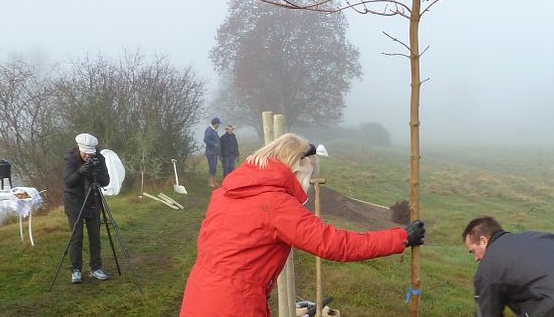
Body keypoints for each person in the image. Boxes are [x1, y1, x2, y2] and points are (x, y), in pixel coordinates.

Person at [180, 133, 426, 316]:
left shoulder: (226, 192)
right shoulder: (275, 204)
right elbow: (334, 244)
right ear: (297, 168)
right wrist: (400, 237)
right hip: (234, 306)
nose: (307, 184)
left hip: (198, 296)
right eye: (308, 175)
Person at [63, 132, 111, 284]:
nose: (88, 157)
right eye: (85, 154)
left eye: (90, 154)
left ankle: (95, 268)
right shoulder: (70, 158)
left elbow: (106, 181)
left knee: (95, 236)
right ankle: (75, 269)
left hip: (93, 200)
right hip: (74, 202)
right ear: (79, 149)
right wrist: (80, 172)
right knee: (76, 237)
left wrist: (95, 173)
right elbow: (69, 182)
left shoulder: (99, 159)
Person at [203, 117, 221, 188]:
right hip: (211, 152)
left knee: (214, 167)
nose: (218, 125)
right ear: (215, 123)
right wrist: (214, 144)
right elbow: (205, 139)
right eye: (218, 124)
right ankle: (210, 182)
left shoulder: (214, 130)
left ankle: (214, 181)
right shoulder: (209, 130)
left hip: (215, 152)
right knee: (212, 167)